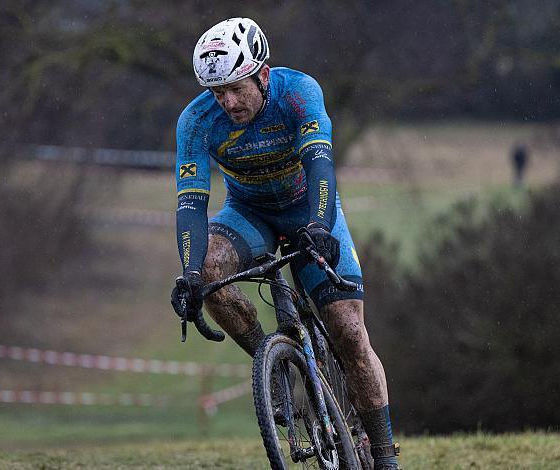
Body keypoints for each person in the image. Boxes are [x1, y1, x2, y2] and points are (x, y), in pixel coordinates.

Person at [171, 17, 399, 469]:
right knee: (211, 270)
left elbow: (320, 167)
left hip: (307, 207)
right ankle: (269, 363)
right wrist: (191, 273)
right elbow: (191, 206)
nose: (227, 102)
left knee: (350, 334)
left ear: (262, 73)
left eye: (236, 88)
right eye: (217, 92)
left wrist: (318, 226)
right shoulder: (196, 121)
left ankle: (385, 454)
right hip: (248, 212)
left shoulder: (299, 93)